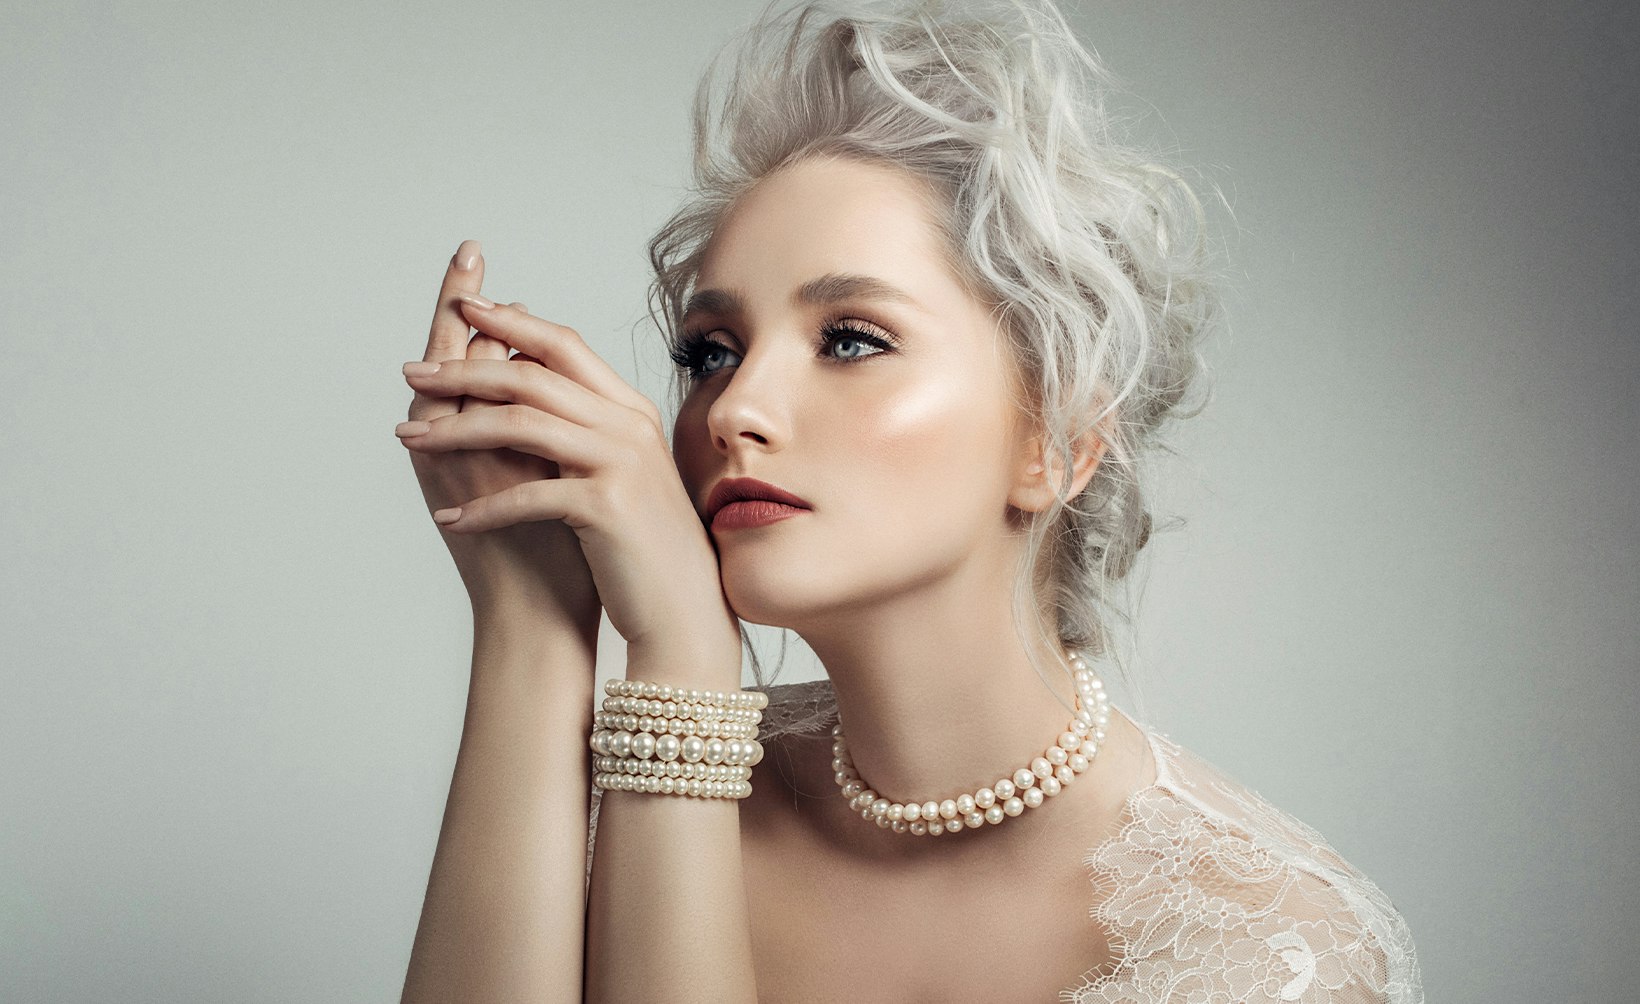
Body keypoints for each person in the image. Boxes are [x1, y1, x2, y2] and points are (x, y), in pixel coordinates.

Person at [394, 0, 1424, 1000]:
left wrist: (681, 673)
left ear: (1055, 437)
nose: (733, 408)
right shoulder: (627, 783)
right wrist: (532, 621)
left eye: (849, 338)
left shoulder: (1265, 946)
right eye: (711, 350)